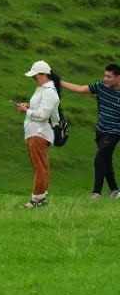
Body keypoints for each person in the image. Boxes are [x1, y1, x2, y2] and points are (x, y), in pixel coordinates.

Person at [60, 64, 120, 199]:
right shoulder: (101, 86)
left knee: (100, 157)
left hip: (115, 131)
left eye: (109, 77)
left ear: (118, 78)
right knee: (106, 159)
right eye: (105, 76)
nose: (105, 79)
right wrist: (59, 82)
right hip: (100, 129)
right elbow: (80, 89)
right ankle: (114, 190)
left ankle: (96, 192)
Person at [16, 60, 61, 209]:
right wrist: (29, 107)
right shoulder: (43, 89)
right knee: (39, 165)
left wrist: (26, 111)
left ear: (44, 75)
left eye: (36, 77)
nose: (34, 80)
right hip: (34, 131)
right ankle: (40, 199)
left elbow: (43, 115)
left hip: (39, 132)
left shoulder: (49, 91)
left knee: (39, 166)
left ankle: (37, 198)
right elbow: (40, 108)